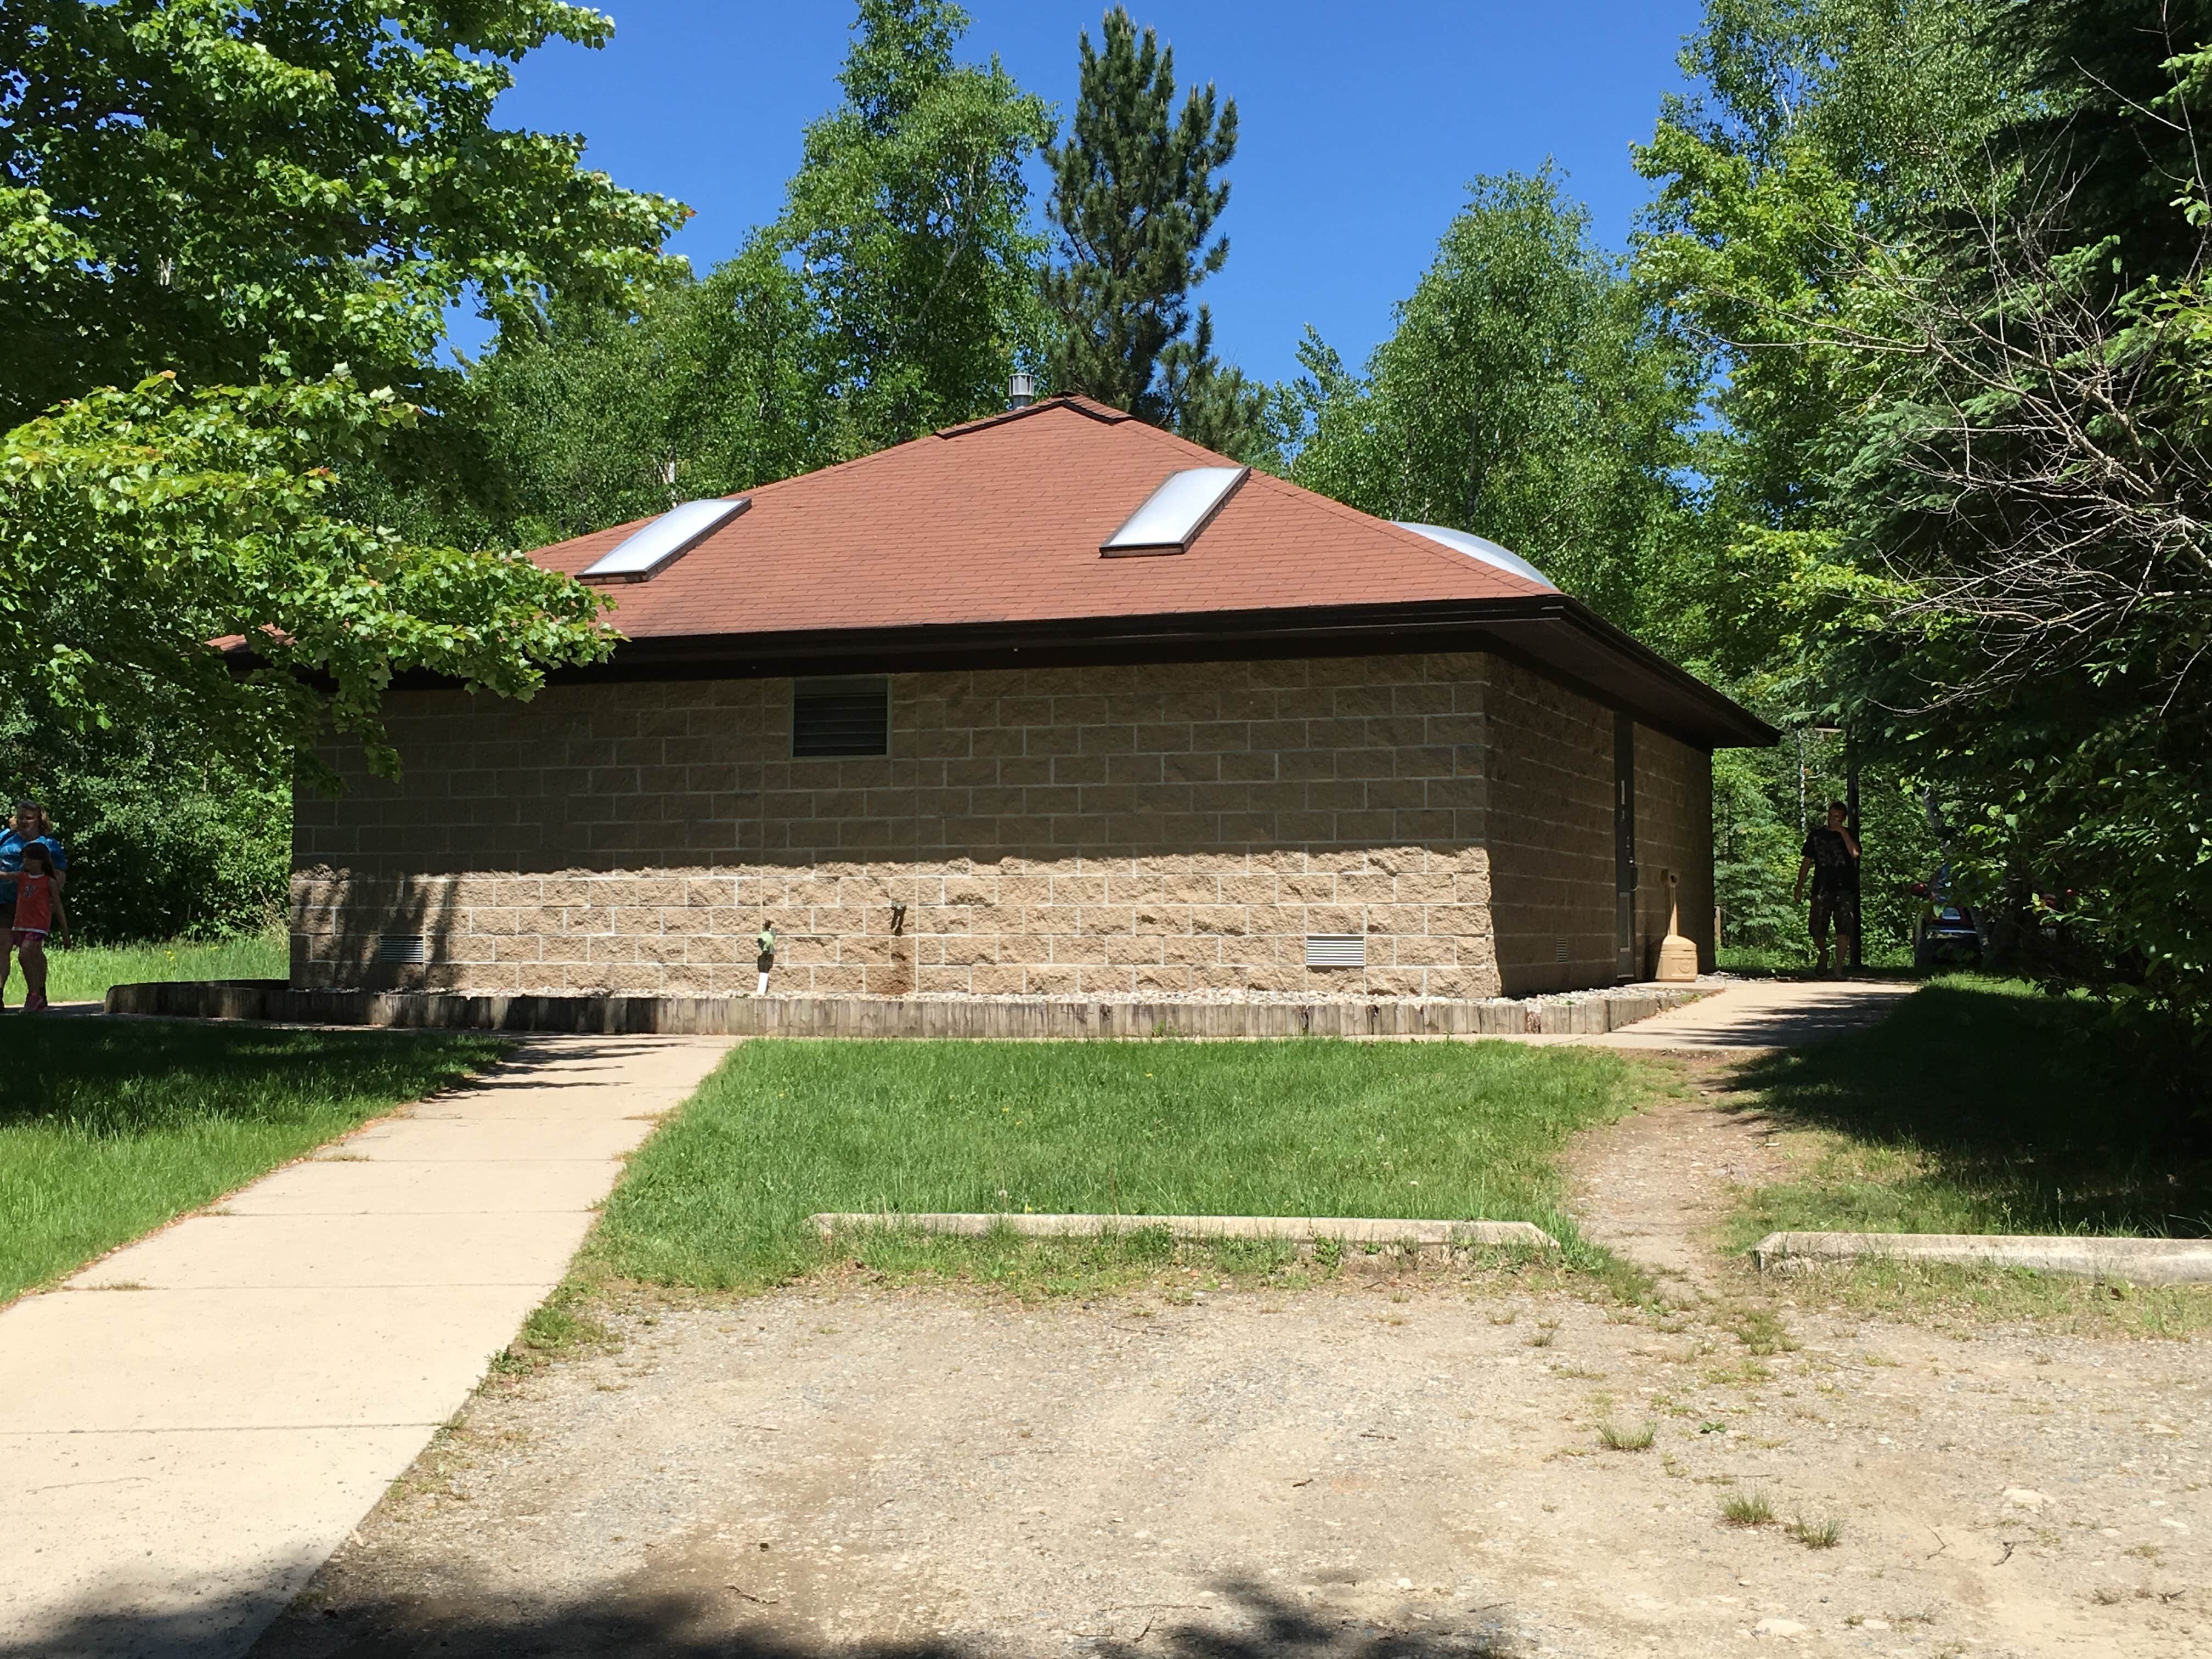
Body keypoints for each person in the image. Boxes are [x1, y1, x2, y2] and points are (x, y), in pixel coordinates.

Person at [1, 798, 68, 1009]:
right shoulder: (5, 837)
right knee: (2, 947)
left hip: (33, 906)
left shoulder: (49, 845)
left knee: (31, 951)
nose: (23, 822)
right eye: (20, 817)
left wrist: (48, 896)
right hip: (4, 900)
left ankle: (38, 991)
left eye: (28, 818)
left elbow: (59, 874)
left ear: (39, 820)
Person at [1792, 799, 1861, 974]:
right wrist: (1799, 886)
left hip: (1845, 888)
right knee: (1816, 927)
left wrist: (1842, 833)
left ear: (1844, 819)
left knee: (1844, 928)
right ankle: (1824, 953)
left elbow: (1855, 854)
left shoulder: (1850, 834)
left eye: (1838, 818)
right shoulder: (1816, 836)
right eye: (1832, 817)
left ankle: (1838, 968)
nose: (1834, 820)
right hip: (1822, 888)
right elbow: (1807, 861)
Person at [755, 921, 777, 997]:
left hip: (767, 951)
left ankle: (762, 990)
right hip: (767, 952)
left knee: (765, 967)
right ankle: (762, 990)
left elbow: (764, 941)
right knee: (765, 967)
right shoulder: (768, 935)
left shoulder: (766, 935)